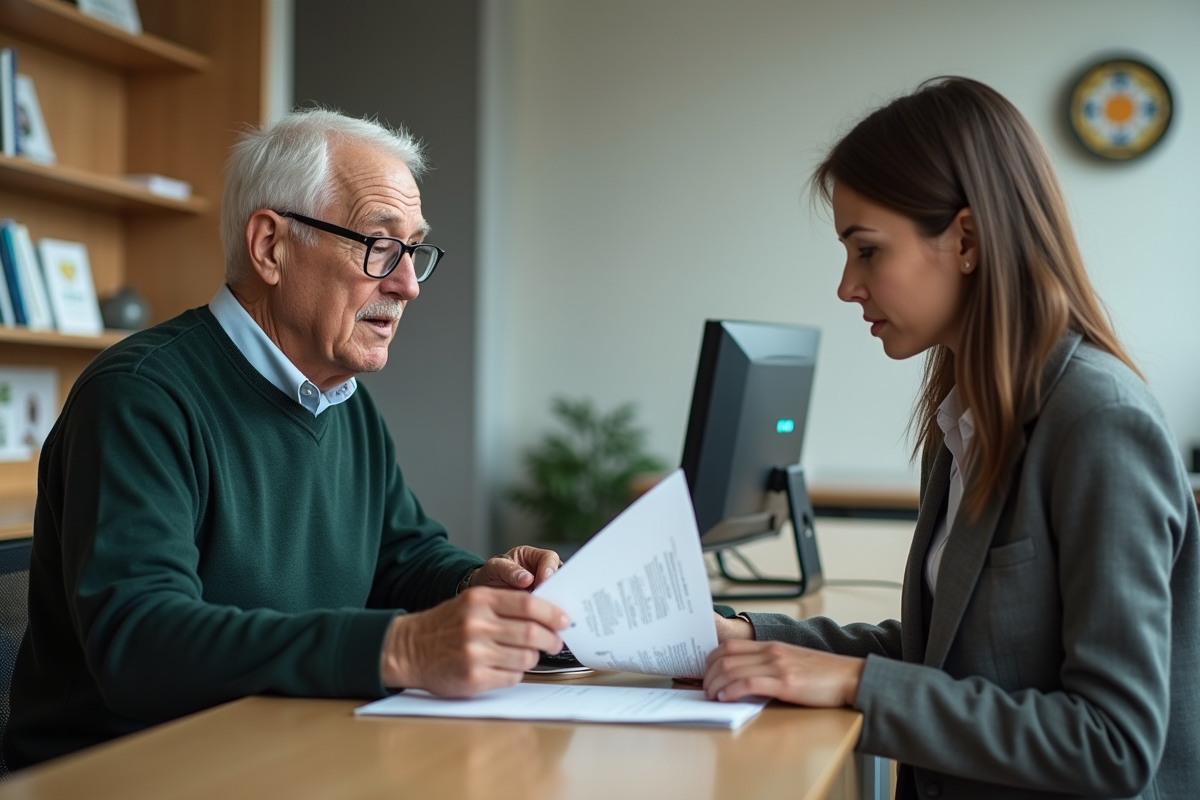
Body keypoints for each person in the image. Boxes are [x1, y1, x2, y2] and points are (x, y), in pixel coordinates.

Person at [4, 110, 570, 771]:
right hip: (129, 777)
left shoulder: (343, 402)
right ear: (270, 246)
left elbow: (402, 559)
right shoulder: (139, 395)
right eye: (380, 246)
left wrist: (484, 585)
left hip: (290, 757)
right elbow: (139, 641)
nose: (408, 285)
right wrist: (400, 649)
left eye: (414, 251)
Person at [703, 77, 1198, 799]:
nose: (847, 286)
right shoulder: (968, 413)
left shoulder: (1099, 423)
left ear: (965, 239)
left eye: (867, 251)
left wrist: (857, 684)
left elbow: (1111, 743)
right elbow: (959, 655)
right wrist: (754, 636)